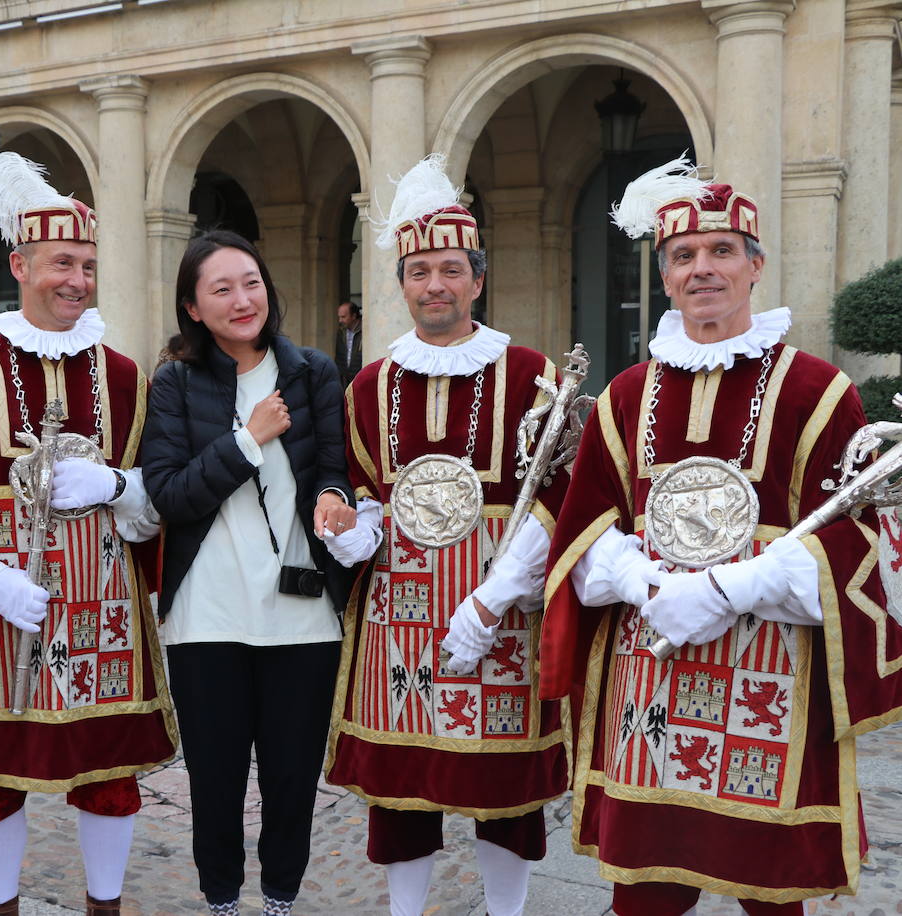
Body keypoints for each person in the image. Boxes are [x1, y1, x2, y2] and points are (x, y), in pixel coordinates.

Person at [540, 159, 902, 914]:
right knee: (645, 893)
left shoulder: (817, 390)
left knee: (773, 893)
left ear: (755, 265)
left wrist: (728, 587)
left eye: (722, 251)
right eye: (683, 256)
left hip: (771, 675)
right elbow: (585, 529)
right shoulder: (626, 396)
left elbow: (860, 544)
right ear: (665, 275)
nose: (702, 269)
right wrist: (648, 585)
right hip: (650, 679)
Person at [0, 115, 177, 916]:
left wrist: (118, 488)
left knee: (109, 774)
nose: (77, 280)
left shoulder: (125, 376)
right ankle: (0, 905)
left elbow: (160, 495)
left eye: (88, 265)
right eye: (62, 262)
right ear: (20, 265)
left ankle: (105, 906)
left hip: (105, 610)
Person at [320, 155, 568, 916]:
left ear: (477, 279)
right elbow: (363, 483)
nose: (435, 285)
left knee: (504, 790)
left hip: (500, 607)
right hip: (399, 615)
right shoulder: (369, 383)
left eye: (450, 269)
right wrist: (354, 526)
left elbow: (558, 498)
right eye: (419, 269)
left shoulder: (531, 373)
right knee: (401, 794)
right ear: (399, 281)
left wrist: (495, 599)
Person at [141, 230, 357, 916]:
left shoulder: (313, 371)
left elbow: (333, 465)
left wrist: (334, 496)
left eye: (252, 282)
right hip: (208, 613)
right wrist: (246, 439)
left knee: (294, 780)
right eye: (222, 289)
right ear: (194, 308)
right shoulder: (174, 382)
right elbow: (170, 493)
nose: (243, 299)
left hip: (302, 609)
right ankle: (223, 902)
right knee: (216, 779)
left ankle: (280, 901)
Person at [335, 300, 363, 388]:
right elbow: (339, 356)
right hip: (343, 381)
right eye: (339, 317)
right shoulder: (341, 332)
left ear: (354, 316)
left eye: (343, 317)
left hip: (359, 378)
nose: (340, 320)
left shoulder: (364, 331)